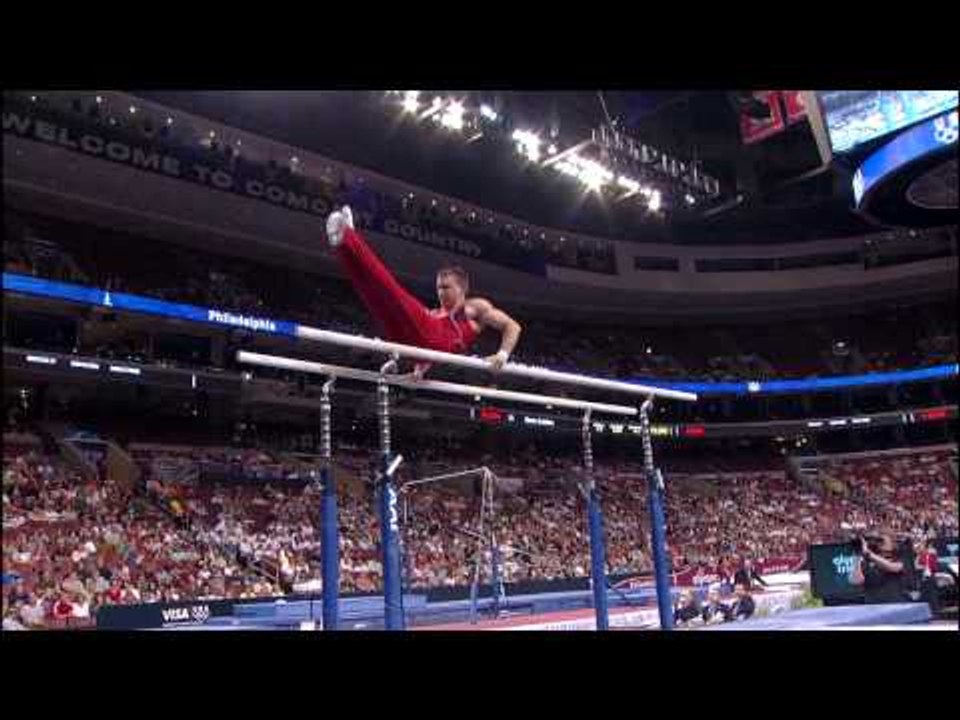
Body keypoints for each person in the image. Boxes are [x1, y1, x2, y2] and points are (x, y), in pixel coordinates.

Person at [325, 206, 522, 377]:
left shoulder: (475, 307)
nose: (440, 293)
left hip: (432, 339)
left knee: (390, 289)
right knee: (374, 297)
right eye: (438, 288)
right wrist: (417, 371)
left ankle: (350, 236)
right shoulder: (435, 312)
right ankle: (343, 247)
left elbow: (513, 326)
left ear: (462, 288)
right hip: (415, 345)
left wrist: (502, 354)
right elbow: (427, 348)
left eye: (446, 287)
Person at [850, 532, 907, 604]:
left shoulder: (899, 557)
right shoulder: (867, 560)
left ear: (893, 543)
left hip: (894, 605)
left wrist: (868, 554)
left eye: (881, 540)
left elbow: (892, 567)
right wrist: (857, 556)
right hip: (872, 606)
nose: (878, 543)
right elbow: (856, 581)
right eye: (877, 541)